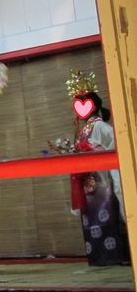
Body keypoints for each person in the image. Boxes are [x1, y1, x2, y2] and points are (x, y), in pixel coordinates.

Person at [67, 70, 128, 266]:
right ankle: (98, 256)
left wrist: (94, 150)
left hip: (101, 179)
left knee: (106, 214)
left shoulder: (100, 126)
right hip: (89, 179)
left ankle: (113, 256)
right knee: (91, 217)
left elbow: (115, 142)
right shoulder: (84, 129)